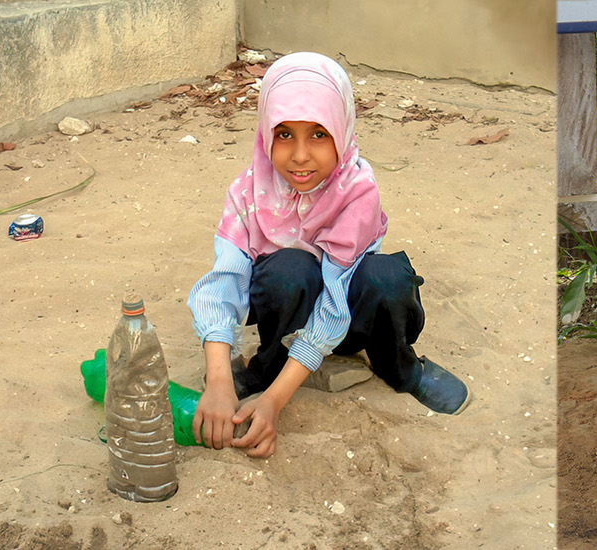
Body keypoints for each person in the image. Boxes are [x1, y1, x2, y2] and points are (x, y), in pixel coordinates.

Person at [187, 53, 470, 459]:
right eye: (284, 134)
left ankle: (401, 368)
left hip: (353, 319)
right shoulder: (248, 192)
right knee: (288, 269)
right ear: (265, 133)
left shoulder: (358, 191)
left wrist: (274, 404)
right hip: (291, 318)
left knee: (385, 279)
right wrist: (218, 380)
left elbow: (336, 303)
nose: (300, 155)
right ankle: (264, 370)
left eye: (318, 134)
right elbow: (223, 282)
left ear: (343, 129)